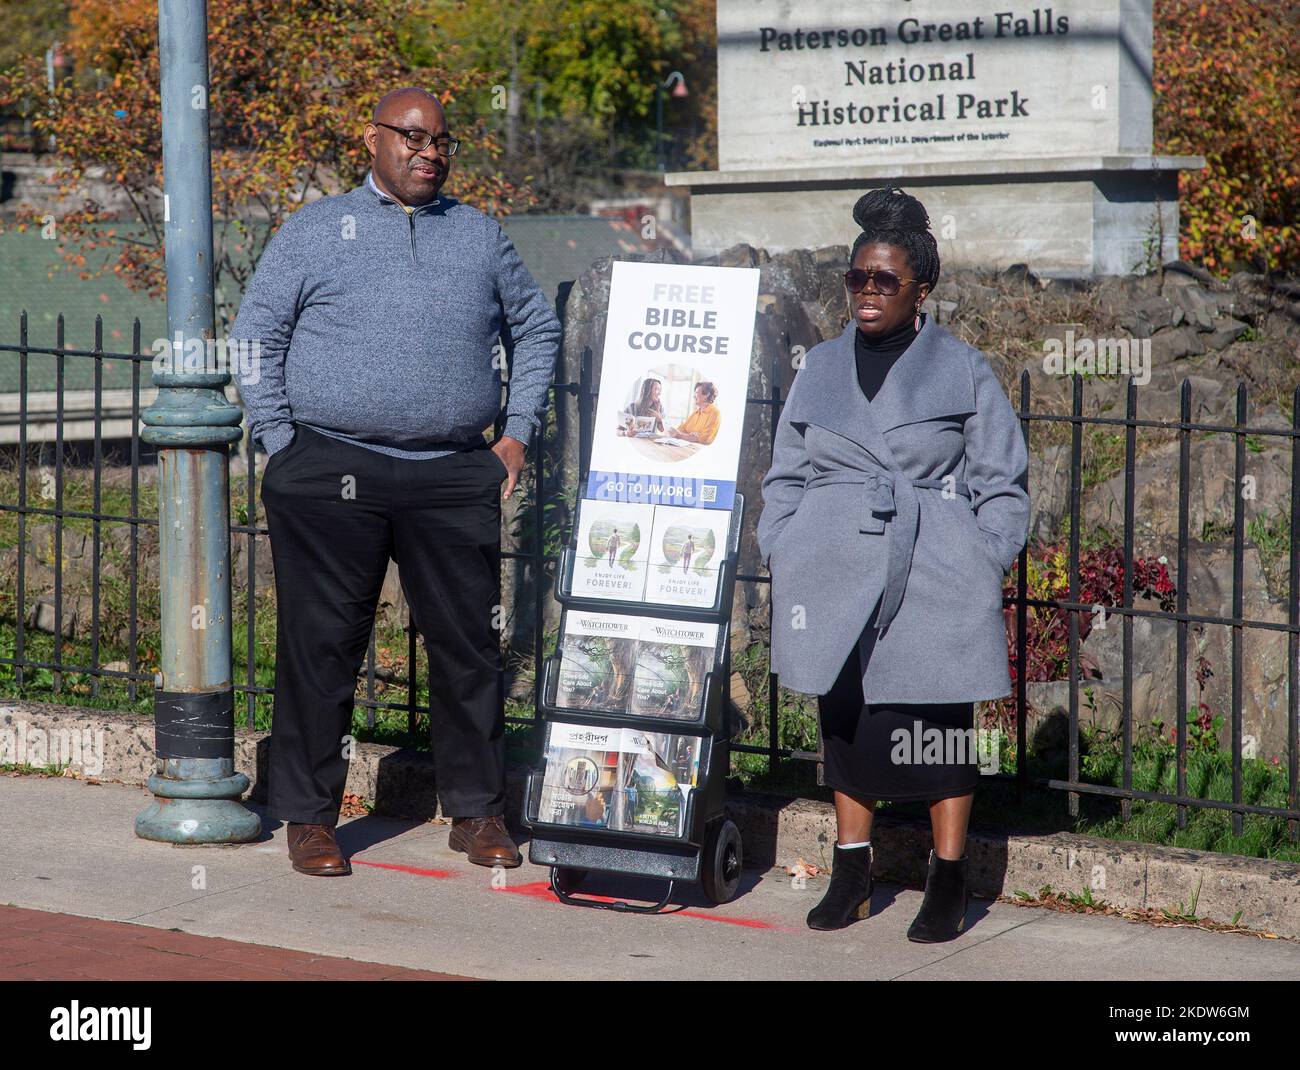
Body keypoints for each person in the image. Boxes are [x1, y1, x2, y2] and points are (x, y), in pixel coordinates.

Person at [232, 86, 560, 877]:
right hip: (330, 465)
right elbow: (253, 337)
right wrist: (282, 444)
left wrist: (514, 438)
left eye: (441, 140)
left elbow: (537, 327)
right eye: (411, 137)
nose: (429, 152)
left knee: (469, 650)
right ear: (372, 140)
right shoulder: (314, 231)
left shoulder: (479, 236)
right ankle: (309, 818)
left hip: (452, 472)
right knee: (322, 647)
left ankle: (477, 812)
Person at [756, 187, 1029, 941]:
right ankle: (852, 871)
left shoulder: (964, 368)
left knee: (939, 727)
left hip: (933, 570)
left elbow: (1001, 480)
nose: (866, 293)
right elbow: (784, 472)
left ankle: (947, 881)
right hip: (833, 568)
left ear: (920, 291)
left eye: (884, 281)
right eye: (856, 279)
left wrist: (981, 558)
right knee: (845, 722)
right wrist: (783, 541)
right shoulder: (819, 368)